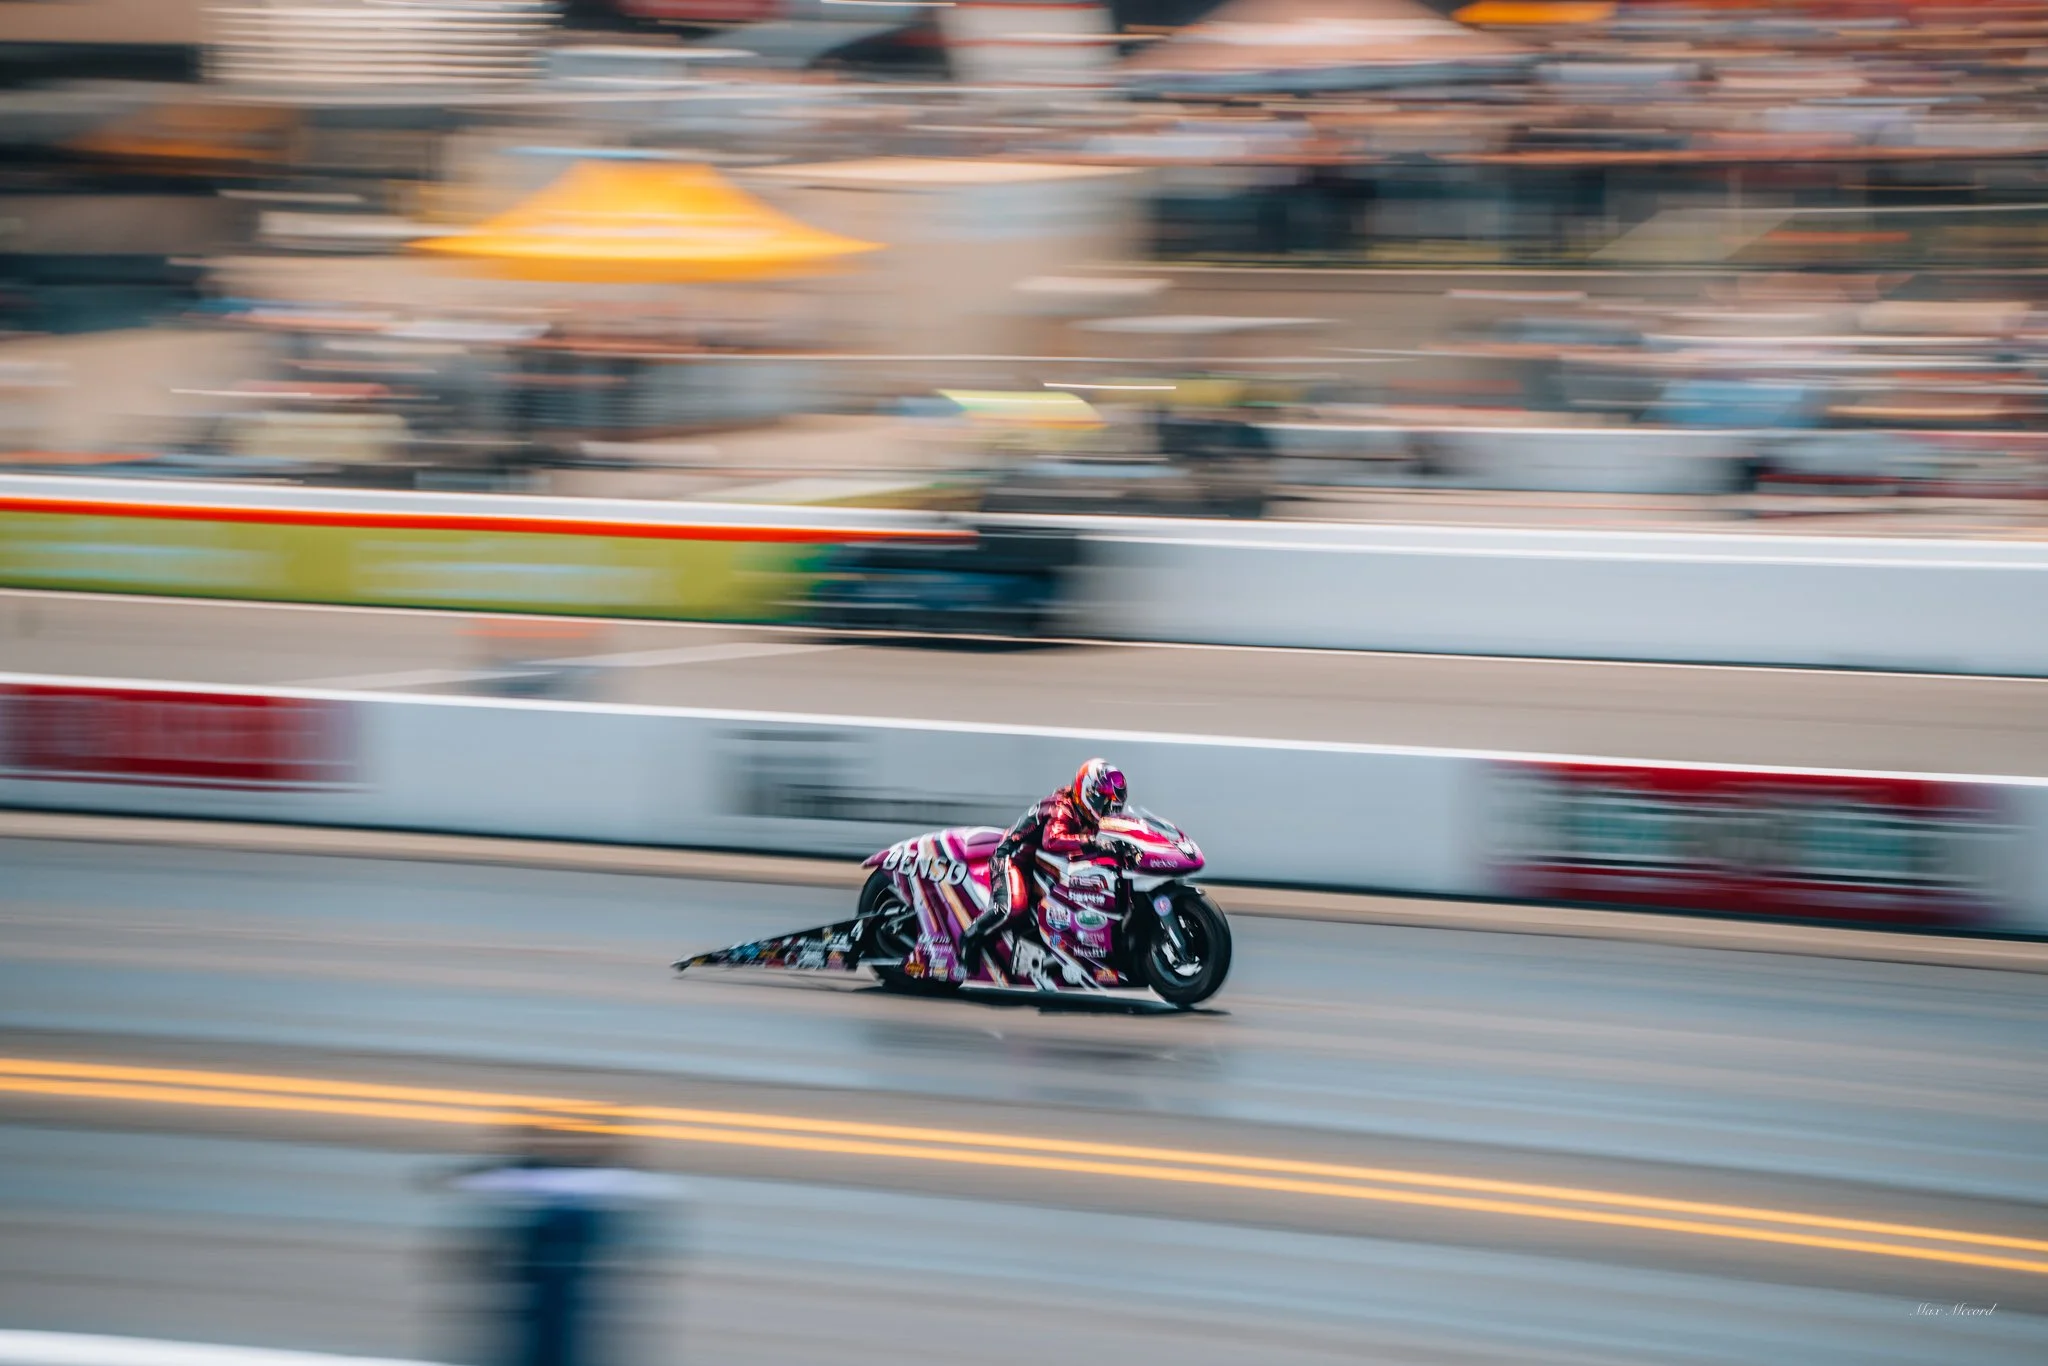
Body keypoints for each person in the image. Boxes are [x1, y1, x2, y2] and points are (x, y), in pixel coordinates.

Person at [958, 758, 1127, 976]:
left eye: (1114, 805)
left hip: (1039, 862)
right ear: (1088, 793)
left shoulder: (1085, 812)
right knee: (1013, 906)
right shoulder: (1062, 808)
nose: (1108, 810)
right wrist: (1096, 843)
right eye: (1105, 802)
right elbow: (1054, 841)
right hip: (1011, 858)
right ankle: (969, 939)